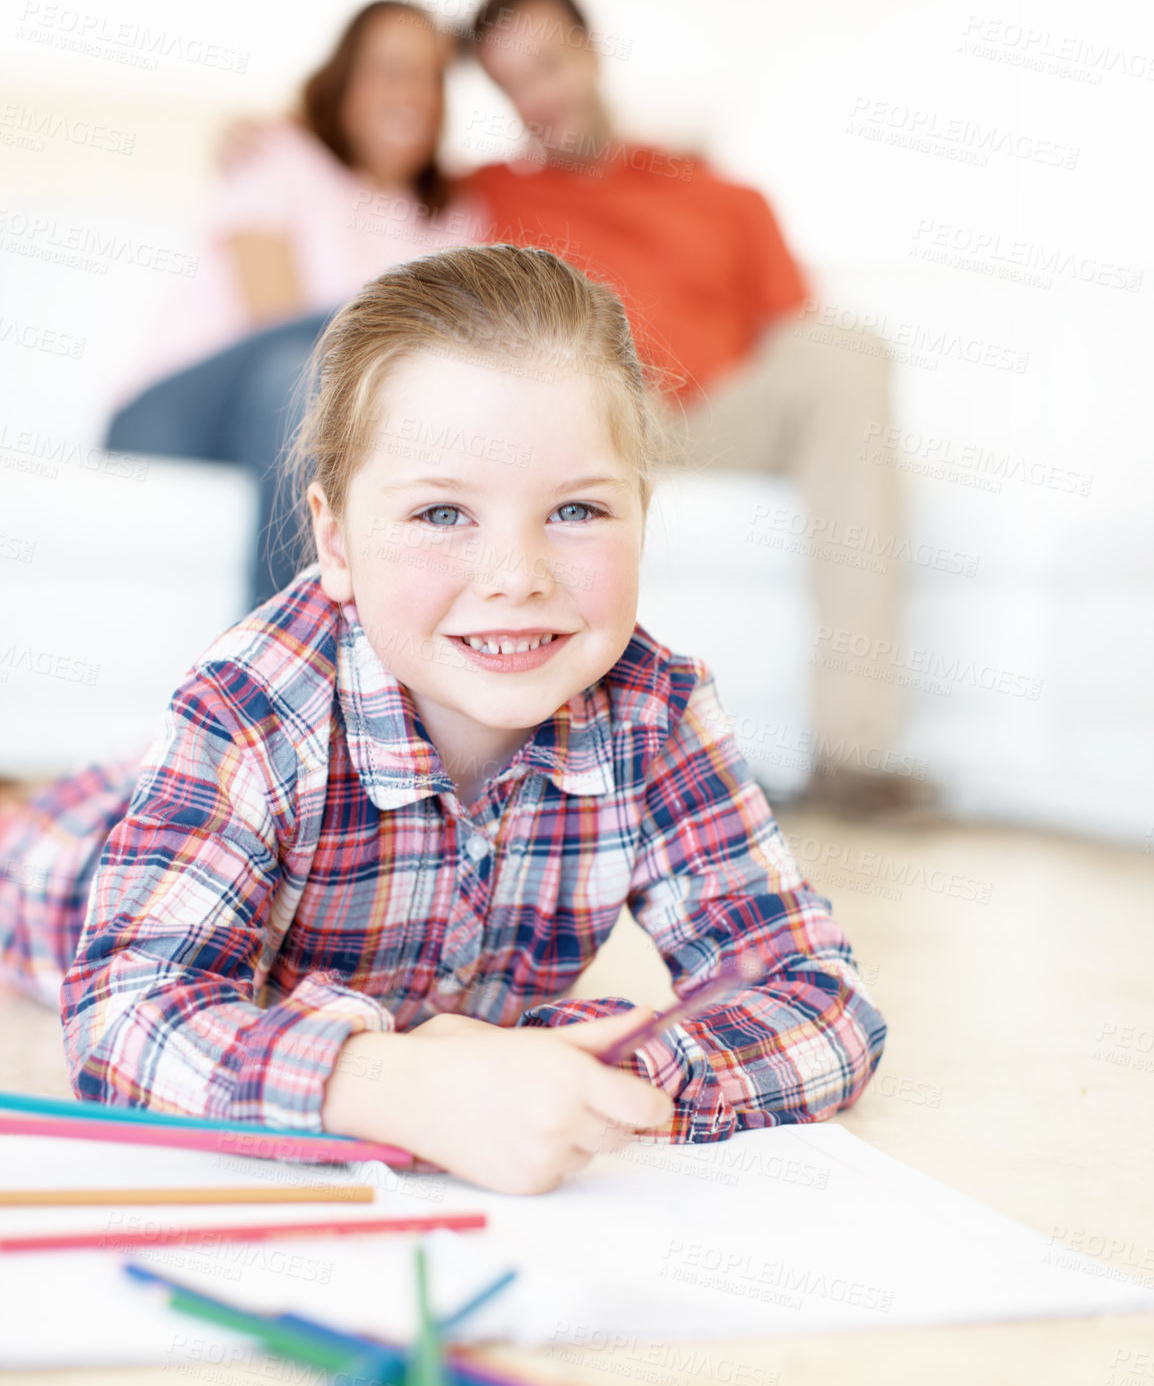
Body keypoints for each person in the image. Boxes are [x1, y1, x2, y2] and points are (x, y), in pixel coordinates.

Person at [1, 246, 885, 1195]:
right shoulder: (245, 708)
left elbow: (823, 1004)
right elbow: (124, 1018)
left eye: (578, 509)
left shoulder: (655, 709)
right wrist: (396, 1085)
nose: (516, 575)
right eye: (440, 515)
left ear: (643, 514)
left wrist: (589, 1071)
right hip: (78, 863)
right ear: (335, 543)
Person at [464, 0, 926, 820]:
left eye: (547, 64)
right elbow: (366, 155)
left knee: (850, 353)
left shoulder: (725, 198)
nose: (538, 98)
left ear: (591, 50)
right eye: (511, 84)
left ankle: (851, 753)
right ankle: (558, 765)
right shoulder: (488, 196)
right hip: (594, 415)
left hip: (713, 416)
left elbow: (798, 340)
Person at [106, 0, 482, 604]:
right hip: (179, 409)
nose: (412, 92)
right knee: (309, 368)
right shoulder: (279, 156)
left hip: (330, 411)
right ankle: (281, 669)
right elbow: (278, 319)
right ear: (345, 83)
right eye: (390, 69)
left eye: (429, 76)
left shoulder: (453, 219)